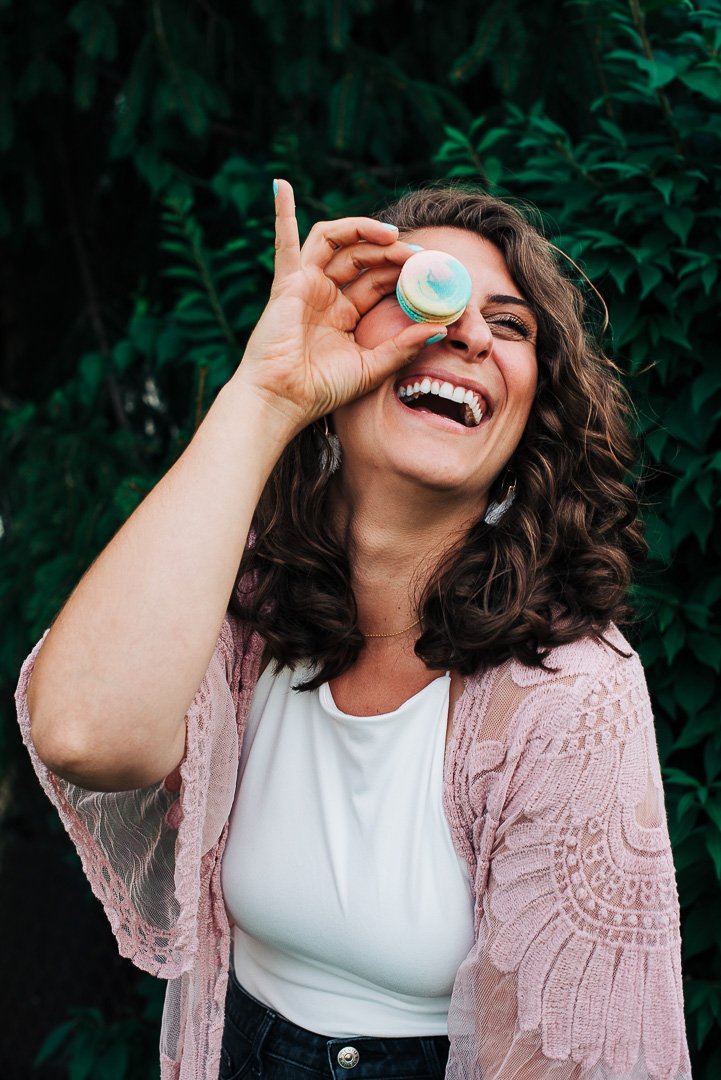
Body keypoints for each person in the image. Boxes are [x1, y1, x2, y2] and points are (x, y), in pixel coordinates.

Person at [16, 181, 691, 1080]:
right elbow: (84, 736)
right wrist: (264, 393)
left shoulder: (571, 690)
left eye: (511, 324)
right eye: (419, 295)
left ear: (532, 421)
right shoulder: (245, 600)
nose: (467, 333)